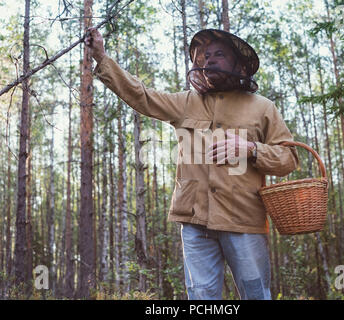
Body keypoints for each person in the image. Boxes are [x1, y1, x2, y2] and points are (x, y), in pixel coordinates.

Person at [86, 27, 298, 300]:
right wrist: (102, 58)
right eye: (205, 56)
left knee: (256, 293)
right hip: (195, 222)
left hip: (244, 220)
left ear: (238, 62)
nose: (208, 60)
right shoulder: (186, 102)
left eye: (218, 54)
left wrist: (251, 149)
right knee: (201, 297)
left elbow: (289, 159)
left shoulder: (263, 107)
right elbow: (142, 96)